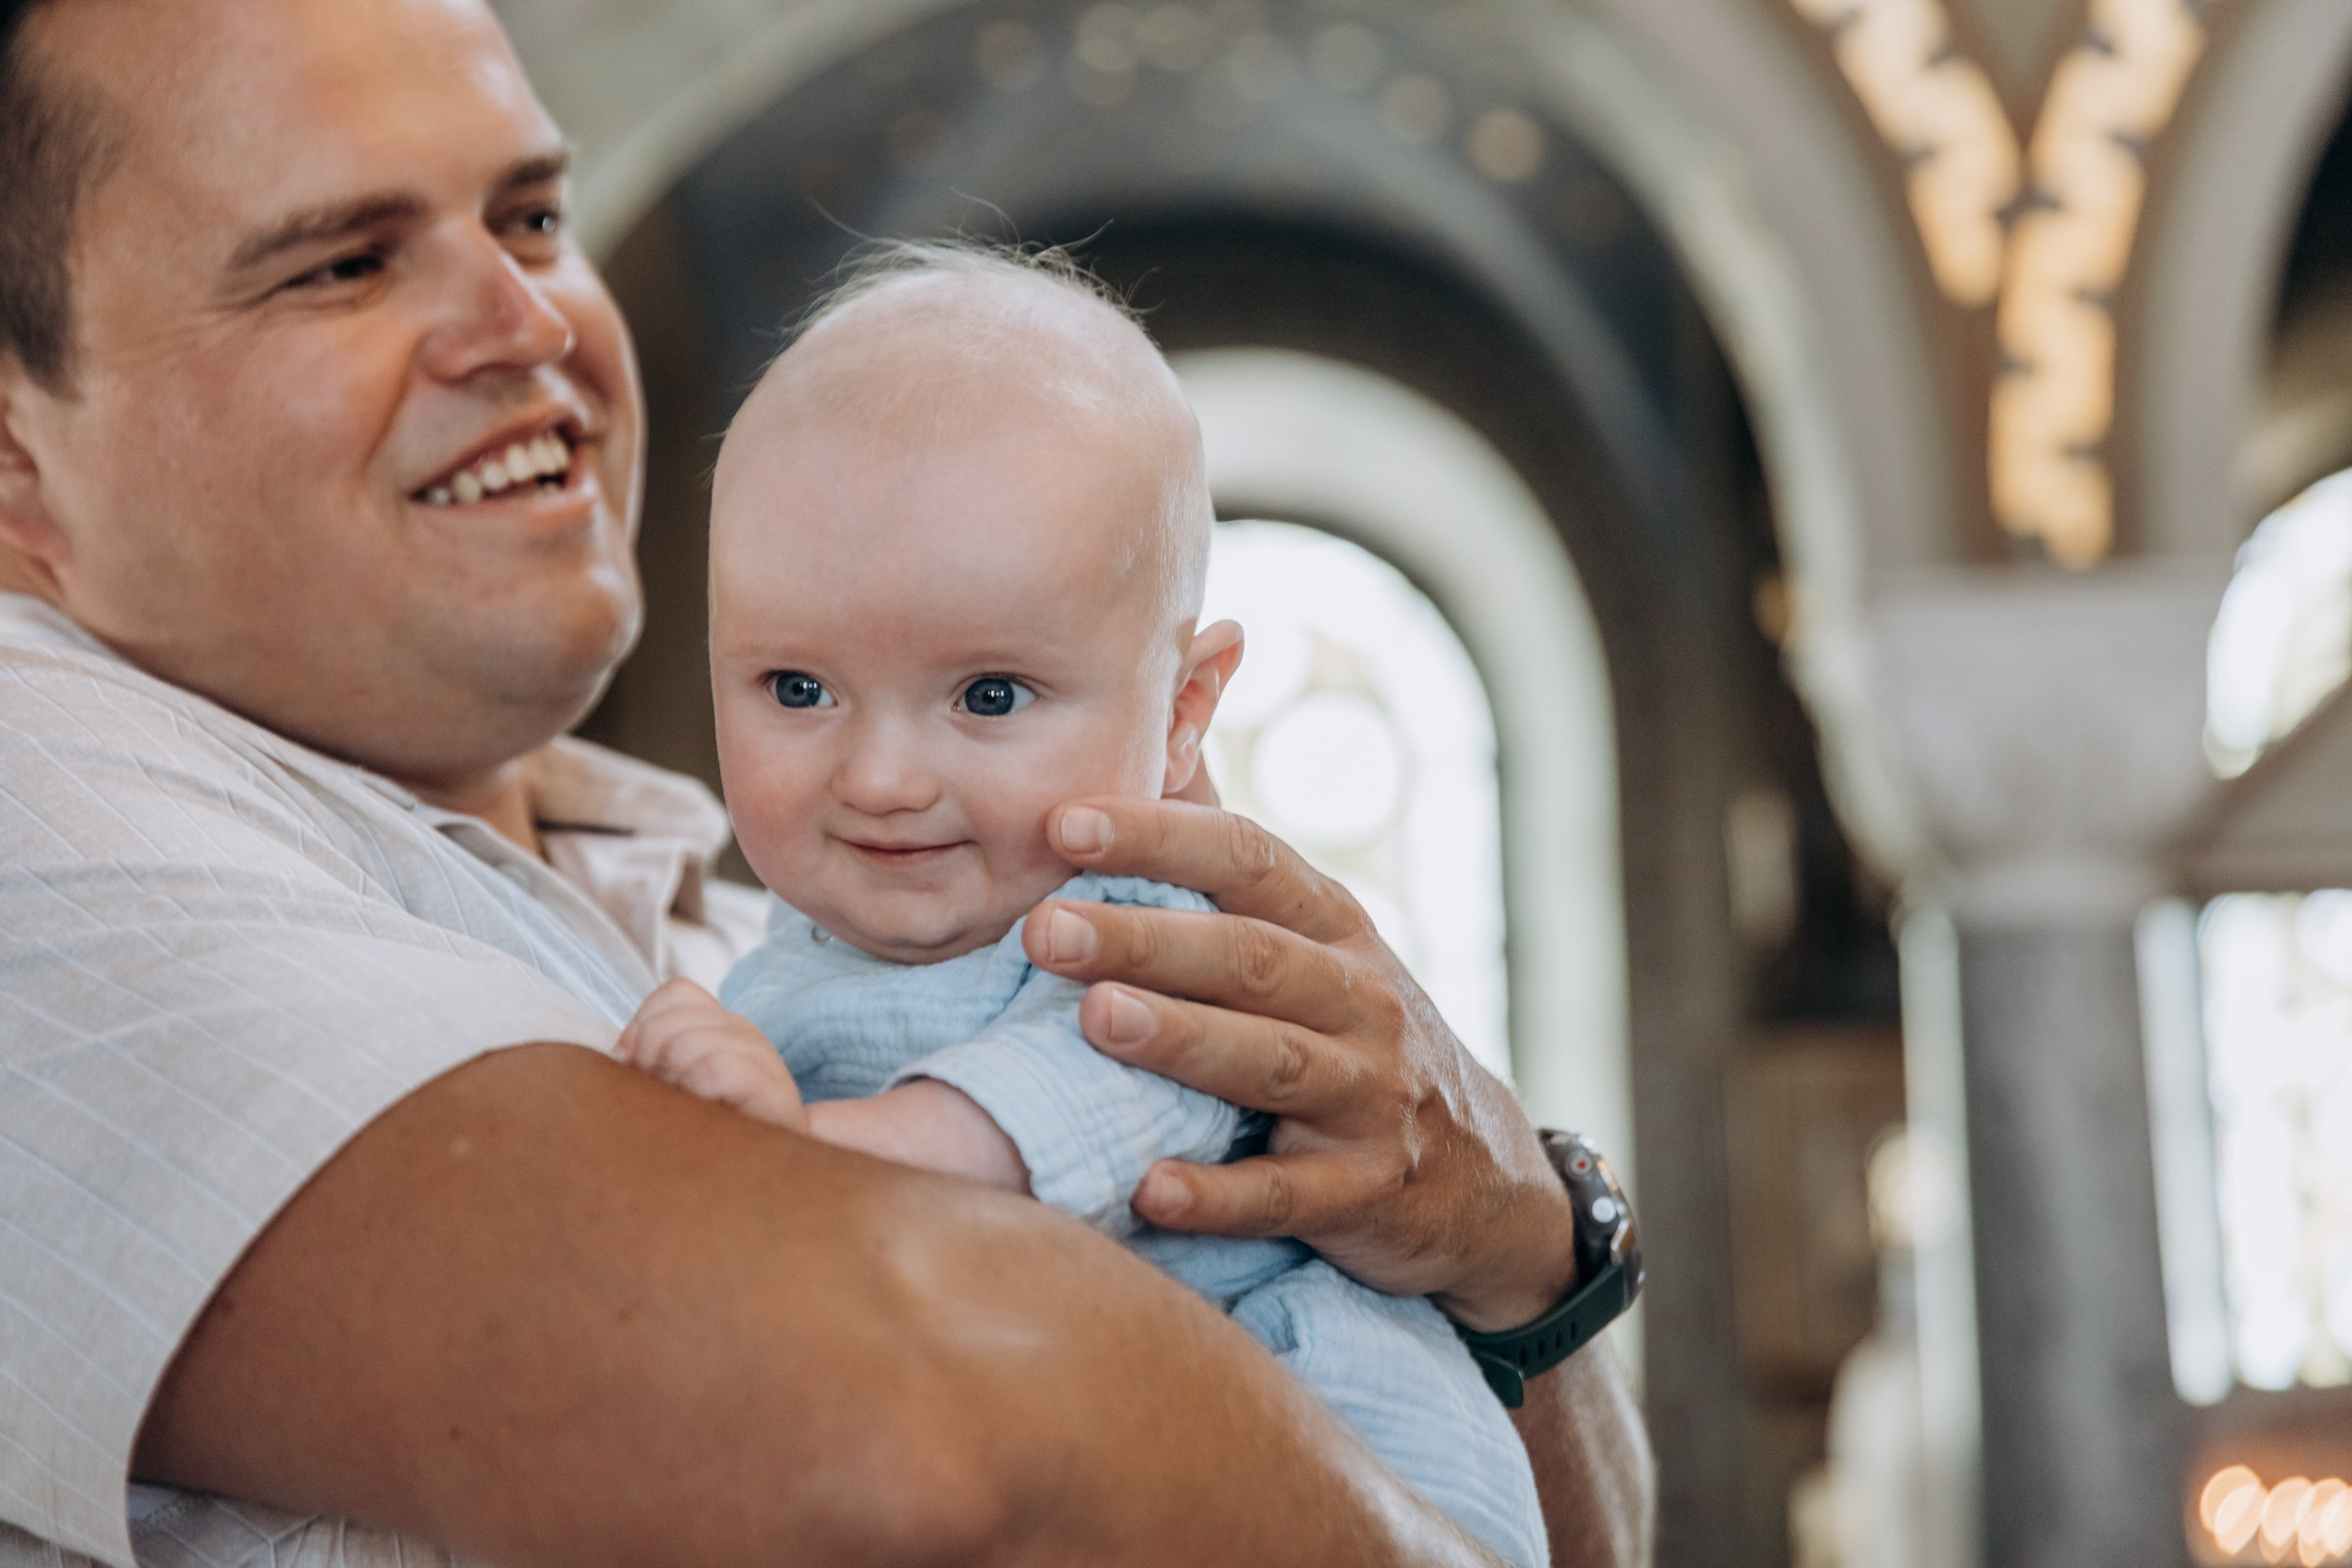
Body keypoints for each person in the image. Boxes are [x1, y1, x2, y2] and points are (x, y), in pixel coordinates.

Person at [0, 0, 1654, 1564]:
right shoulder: (40, 815)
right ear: (17, 453)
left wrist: (1521, 1246)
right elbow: (930, 1423)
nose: (534, 323)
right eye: (344, 265)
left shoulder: (787, 926)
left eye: (527, 219)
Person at [615, 242, 1548, 1568]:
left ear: (1182, 714)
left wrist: (780, 1148)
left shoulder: (1148, 928)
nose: (879, 779)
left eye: (989, 696)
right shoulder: (791, 954)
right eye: (796, 690)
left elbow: (1043, 1131)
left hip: (1345, 1460)